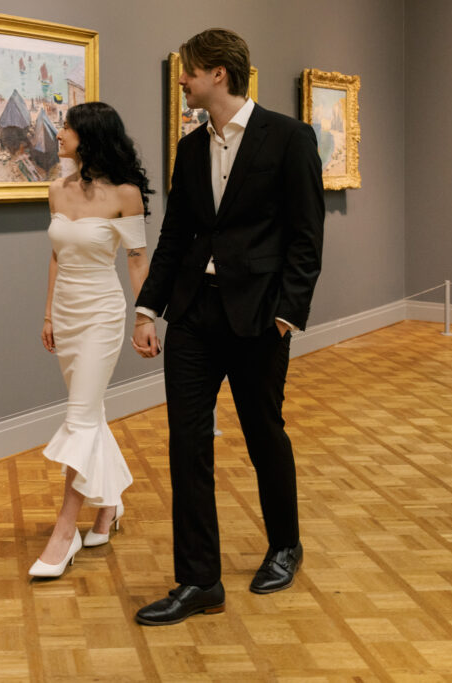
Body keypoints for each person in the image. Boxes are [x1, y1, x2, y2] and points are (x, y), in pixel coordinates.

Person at [131, 29, 324, 624]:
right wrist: (147, 309)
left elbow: (306, 234)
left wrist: (288, 312)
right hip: (193, 315)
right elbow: (174, 236)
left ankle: (285, 545)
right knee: (187, 444)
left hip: (260, 316)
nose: (183, 80)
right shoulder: (191, 149)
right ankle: (198, 581)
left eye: (189, 72)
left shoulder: (289, 138)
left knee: (265, 434)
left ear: (218, 73)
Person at [29, 101, 153, 579]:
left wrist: (145, 319)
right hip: (67, 312)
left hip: (103, 313)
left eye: (67, 127)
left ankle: (65, 533)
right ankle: (110, 506)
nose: (59, 133)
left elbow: (137, 261)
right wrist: (47, 314)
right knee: (92, 413)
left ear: (90, 136)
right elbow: (56, 257)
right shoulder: (55, 190)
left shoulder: (126, 194)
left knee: (80, 418)